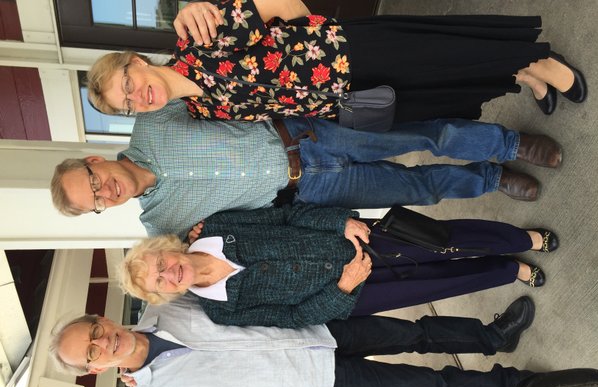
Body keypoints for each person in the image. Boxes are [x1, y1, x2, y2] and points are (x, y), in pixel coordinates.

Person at [50, 295, 536, 387]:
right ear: (95, 369)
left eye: (94, 331)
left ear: (101, 318)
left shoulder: (165, 307)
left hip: (316, 330)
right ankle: (515, 385)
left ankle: (492, 336)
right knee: (430, 385)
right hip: (315, 386)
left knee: (415, 333)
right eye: (91, 352)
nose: (102, 342)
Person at [50, 101, 561, 239]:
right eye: (96, 201)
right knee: (417, 188)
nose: (105, 191)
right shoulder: (161, 226)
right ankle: (491, 178)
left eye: (92, 181)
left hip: (306, 135)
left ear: (94, 160)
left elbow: (204, 80)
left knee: (422, 135)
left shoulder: (151, 123)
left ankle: (510, 143)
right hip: (311, 190)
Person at [87, 1, 586, 121]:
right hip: (348, 101)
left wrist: (313, 41)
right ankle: (520, 73)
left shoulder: (199, 38)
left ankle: (540, 61)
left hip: (346, 54)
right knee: (443, 87)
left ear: (136, 61)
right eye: (126, 105)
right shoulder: (201, 113)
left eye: (127, 83)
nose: (136, 97)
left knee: (444, 54)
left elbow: (281, 4)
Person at [119, 203, 558, 328]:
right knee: (436, 283)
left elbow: (286, 216)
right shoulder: (221, 310)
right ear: (164, 294)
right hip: (352, 294)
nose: (168, 273)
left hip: (348, 238)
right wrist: (343, 289)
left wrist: (340, 222)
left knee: (441, 240)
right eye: (159, 281)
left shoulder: (217, 227)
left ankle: (521, 239)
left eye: (160, 263)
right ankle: (508, 270)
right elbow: (292, 317)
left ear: (166, 248)